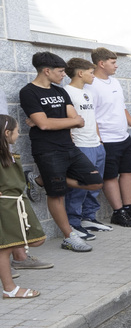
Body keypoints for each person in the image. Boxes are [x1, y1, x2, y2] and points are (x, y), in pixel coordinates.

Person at [18, 51, 103, 253]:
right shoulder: (28, 92)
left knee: (95, 181)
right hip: (47, 149)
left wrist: (53, 121)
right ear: (46, 71)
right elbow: (44, 125)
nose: (64, 75)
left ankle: (40, 180)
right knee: (57, 193)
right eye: (60, 71)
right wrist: (59, 121)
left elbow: (78, 120)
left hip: (69, 147)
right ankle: (69, 237)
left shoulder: (60, 91)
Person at [89, 48, 131, 227]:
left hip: (123, 136)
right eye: (113, 62)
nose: (116, 66)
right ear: (101, 63)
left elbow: (121, 106)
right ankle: (118, 211)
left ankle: (129, 207)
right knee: (110, 176)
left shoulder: (114, 82)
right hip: (106, 139)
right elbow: (90, 114)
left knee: (128, 172)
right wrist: (98, 139)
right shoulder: (90, 84)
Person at [1, 115, 48, 298]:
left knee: (37, 239)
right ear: (7, 133)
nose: (18, 134)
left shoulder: (7, 155)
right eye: (17, 131)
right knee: (4, 249)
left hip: (15, 204)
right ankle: (10, 289)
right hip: (5, 206)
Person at [62, 59, 105, 242]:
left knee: (95, 185)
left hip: (95, 144)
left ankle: (89, 217)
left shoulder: (88, 92)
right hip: (80, 145)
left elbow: (92, 118)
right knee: (80, 188)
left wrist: (100, 141)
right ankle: (74, 222)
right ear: (80, 73)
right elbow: (68, 120)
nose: (93, 76)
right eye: (91, 72)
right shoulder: (66, 92)